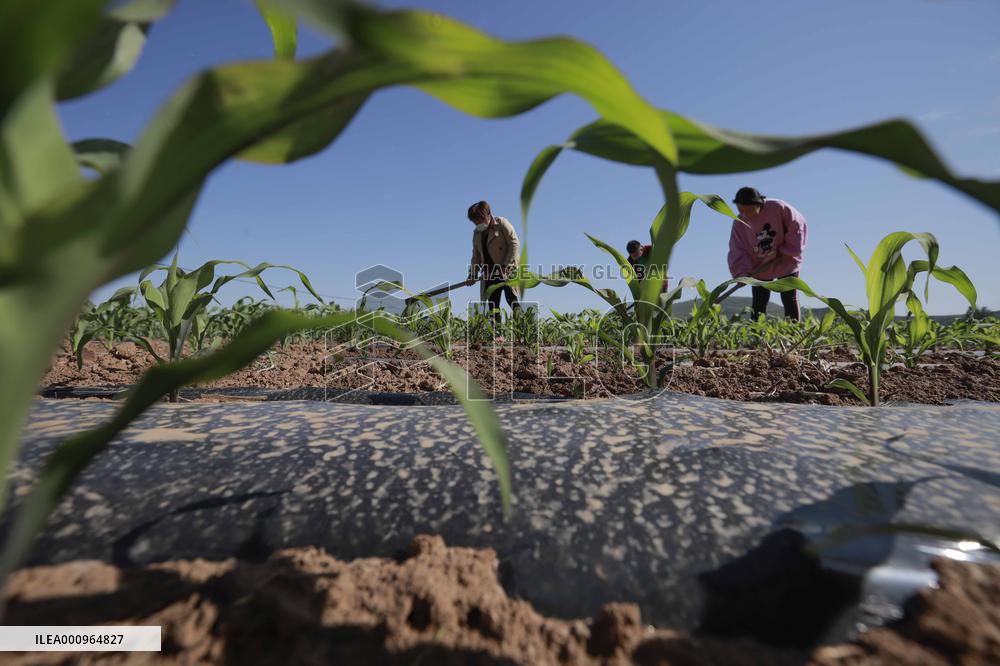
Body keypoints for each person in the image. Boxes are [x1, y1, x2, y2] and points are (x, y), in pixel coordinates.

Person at [727, 187, 808, 321]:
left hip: (785, 260)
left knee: (789, 296)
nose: (745, 214)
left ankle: (794, 333)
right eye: (741, 210)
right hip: (759, 266)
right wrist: (741, 274)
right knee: (759, 301)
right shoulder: (739, 223)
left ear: (759, 204)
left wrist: (788, 250)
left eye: (749, 210)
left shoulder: (778, 208)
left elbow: (797, 225)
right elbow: (737, 249)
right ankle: (756, 336)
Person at [467, 200, 521, 325]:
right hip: (489, 273)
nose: (477, 224)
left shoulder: (502, 223)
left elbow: (514, 243)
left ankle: (522, 331)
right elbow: (476, 257)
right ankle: (497, 334)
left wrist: (505, 265)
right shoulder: (476, 234)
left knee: (512, 299)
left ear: (487, 215)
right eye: (475, 222)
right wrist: (472, 275)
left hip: (507, 270)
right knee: (493, 304)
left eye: (479, 221)